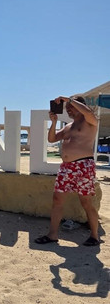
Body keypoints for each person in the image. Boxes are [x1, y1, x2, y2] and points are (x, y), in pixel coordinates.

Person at [35, 95, 102, 246]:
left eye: (71, 107)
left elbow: (88, 112)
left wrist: (69, 100)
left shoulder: (90, 121)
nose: (69, 110)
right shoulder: (68, 126)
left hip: (84, 166)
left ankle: (94, 236)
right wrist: (53, 123)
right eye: (67, 108)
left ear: (80, 105)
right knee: (57, 200)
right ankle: (52, 235)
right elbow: (52, 139)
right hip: (66, 167)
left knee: (86, 202)